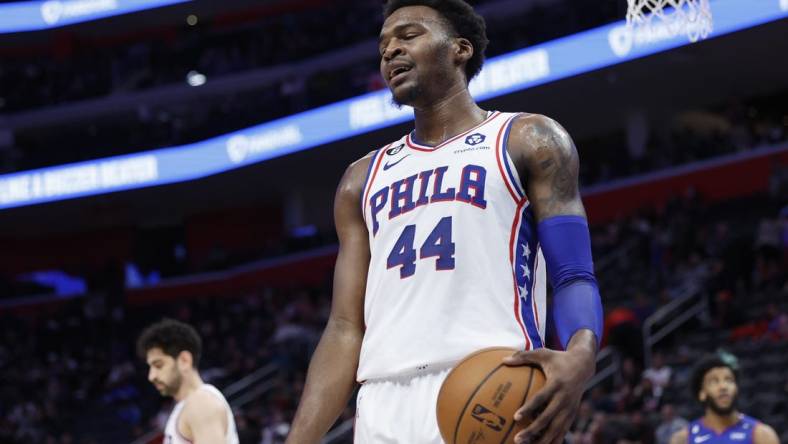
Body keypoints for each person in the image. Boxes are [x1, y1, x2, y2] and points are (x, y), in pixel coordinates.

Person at [286, 1, 603, 442]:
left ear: (461, 49)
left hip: (493, 382)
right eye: (383, 45)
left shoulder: (527, 139)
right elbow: (344, 327)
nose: (391, 51)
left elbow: (572, 273)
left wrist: (581, 353)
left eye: (408, 35)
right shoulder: (360, 180)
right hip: (382, 404)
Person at [137, 318, 239, 444]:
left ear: (184, 360)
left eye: (158, 365)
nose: (151, 376)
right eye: (150, 367)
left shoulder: (201, 403)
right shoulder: (185, 406)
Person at [669, 354, 778, 444]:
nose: (723, 387)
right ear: (702, 393)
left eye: (729, 380)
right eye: (714, 381)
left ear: (736, 389)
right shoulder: (682, 439)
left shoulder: (762, 434)